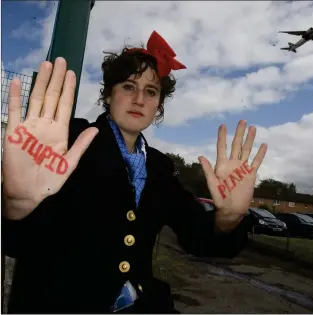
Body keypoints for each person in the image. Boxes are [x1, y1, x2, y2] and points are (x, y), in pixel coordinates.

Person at [1, 31, 267, 314]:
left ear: (158, 106)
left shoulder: (160, 168)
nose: (139, 99)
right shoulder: (68, 142)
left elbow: (197, 237)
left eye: (151, 91)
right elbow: (18, 243)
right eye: (129, 87)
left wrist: (228, 218)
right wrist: (15, 204)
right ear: (108, 94)